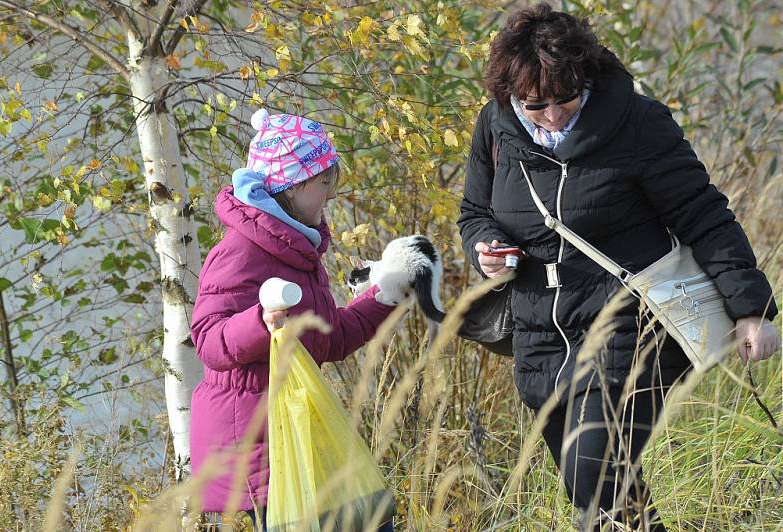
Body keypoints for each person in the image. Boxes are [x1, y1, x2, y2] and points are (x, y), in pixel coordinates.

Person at [457, 4, 779, 530]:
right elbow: (474, 213)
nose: (554, 116)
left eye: (566, 99)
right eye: (536, 105)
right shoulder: (495, 128)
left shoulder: (639, 123)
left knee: (593, 469)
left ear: (586, 76)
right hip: (538, 331)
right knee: (600, 496)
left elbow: (704, 215)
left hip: (629, 320)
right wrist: (485, 247)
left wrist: (751, 309)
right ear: (508, 94)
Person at [189, 109, 397, 530]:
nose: (329, 195)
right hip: (253, 442)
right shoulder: (242, 250)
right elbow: (209, 340)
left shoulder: (296, 246)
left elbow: (329, 339)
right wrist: (260, 322)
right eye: (324, 183)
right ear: (292, 185)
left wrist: (388, 295)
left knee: (372, 519)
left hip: (294, 432)